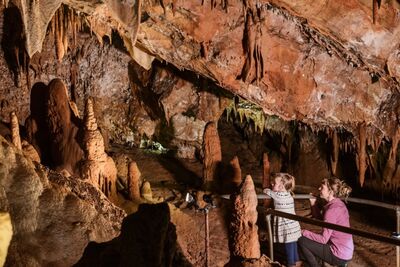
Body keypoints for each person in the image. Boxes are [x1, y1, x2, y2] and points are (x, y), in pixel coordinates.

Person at [298, 177, 353, 267]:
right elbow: (321, 219)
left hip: (338, 254)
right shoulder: (338, 204)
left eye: (322, 187)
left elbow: (323, 239)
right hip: (346, 251)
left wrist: (303, 232)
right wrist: (313, 203)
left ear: (330, 192)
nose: (319, 189)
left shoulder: (332, 210)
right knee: (312, 238)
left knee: (302, 240)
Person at [263, 173, 302, 267]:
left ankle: (290, 264)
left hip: (286, 226)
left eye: (274, 183)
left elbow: (267, 191)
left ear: (281, 186)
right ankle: (297, 262)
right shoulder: (288, 194)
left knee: (288, 245)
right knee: (293, 244)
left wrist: (266, 189)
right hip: (293, 225)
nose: (272, 184)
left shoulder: (279, 196)